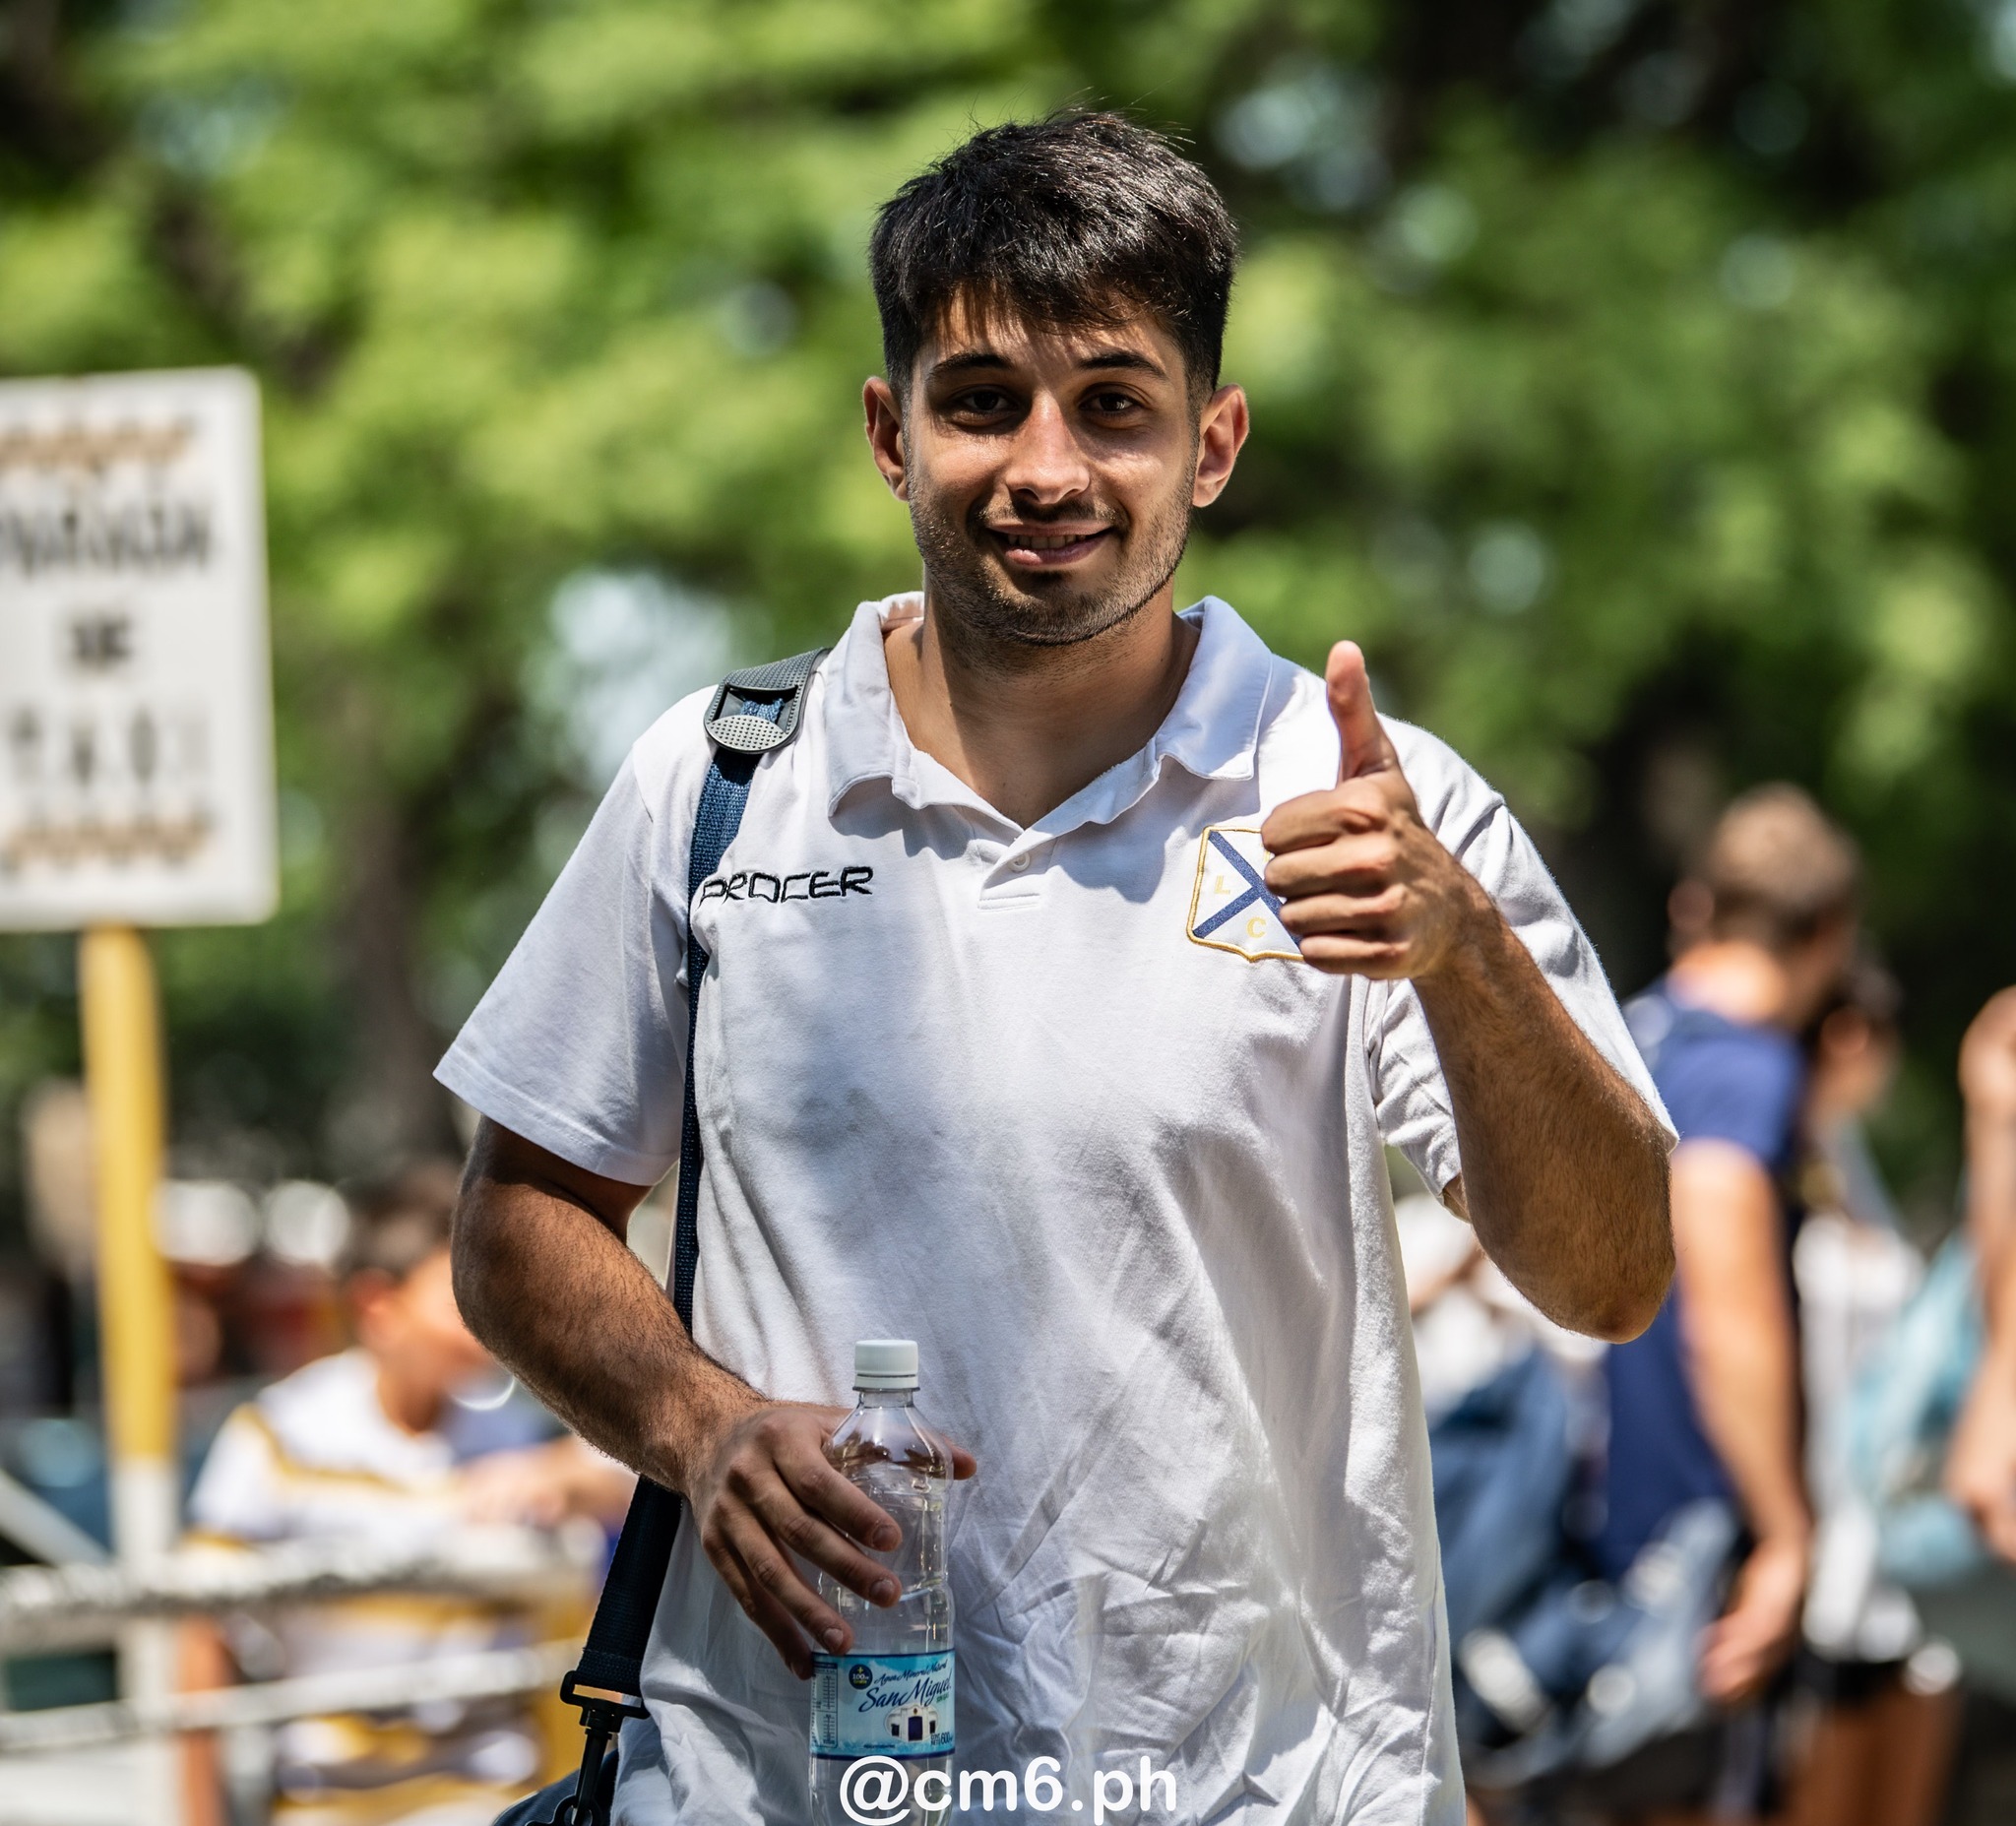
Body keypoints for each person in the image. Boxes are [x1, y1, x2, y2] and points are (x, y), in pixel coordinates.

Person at [440, 111, 1673, 1826]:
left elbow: (1609, 1279)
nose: (1043, 468)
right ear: (888, 432)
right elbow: (515, 1220)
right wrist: (701, 1423)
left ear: (1211, 442)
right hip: (783, 1789)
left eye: (1111, 403)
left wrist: (1459, 957)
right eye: (978, 401)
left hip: (1261, 1790)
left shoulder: (1360, 804)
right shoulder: (722, 784)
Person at [185, 1165, 633, 1826]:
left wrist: (564, 1478)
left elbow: (630, 1479)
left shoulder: (518, 1432)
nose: (489, 1313)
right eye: (465, 1292)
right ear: (377, 1306)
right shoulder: (278, 1436)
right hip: (327, 1802)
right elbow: (201, 1631)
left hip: (498, 1799)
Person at [1598, 786, 1858, 1811]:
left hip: (1594, 1512)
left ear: (1705, 903)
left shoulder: (1629, 1033)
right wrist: (1787, 1537)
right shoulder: (1742, 1070)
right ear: (1827, 931)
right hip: (1694, 1536)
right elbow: (1729, 1305)